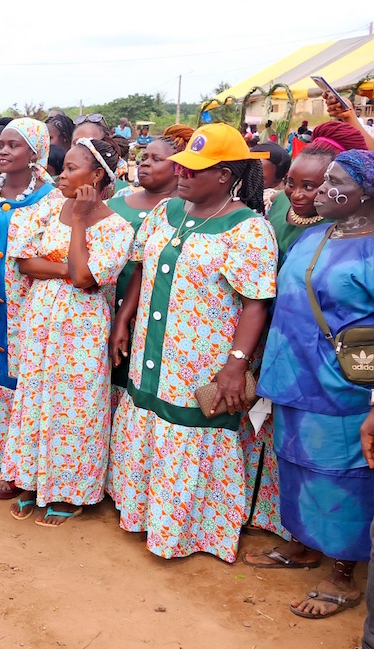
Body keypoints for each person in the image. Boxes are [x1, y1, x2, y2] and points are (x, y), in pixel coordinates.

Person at [108, 123, 277, 563]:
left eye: (193, 169)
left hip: (200, 359)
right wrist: (123, 319)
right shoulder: (167, 211)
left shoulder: (248, 229)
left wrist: (236, 364)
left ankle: (186, 531)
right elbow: (140, 267)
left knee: (189, 427)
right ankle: (143, 514)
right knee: (148, 413)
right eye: (181, 165)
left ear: (224, 175)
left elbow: (256, 302)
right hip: (151, 350)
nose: (182, 173)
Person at [251, 150, 374, 619]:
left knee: (343, 476)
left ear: (367, 194)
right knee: (295, 464)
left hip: (342, 387)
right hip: (292, 375)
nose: (321, 191)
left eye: (334, 183)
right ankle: (303, 545)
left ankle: (343, 572)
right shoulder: (315, 234)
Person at [3, 137, 132, 525]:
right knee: (36, 399)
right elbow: (25, 264)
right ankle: (32, 481)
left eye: (72, 168)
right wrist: (68, 269)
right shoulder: (48, 209)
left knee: (75, 409)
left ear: (96, 177)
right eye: (64, 167)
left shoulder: (116, 228)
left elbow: (84, 278)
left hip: (81, 331)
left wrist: (78, 221)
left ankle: (69, 492)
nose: (61, 174)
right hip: (41, 322)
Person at [0, 118, 57, 500]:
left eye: (12, 145)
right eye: (0, 145)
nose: (2, 151)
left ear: (35, 152)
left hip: (29, 307)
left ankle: (17, 464)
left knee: (24, 379)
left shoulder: (53, 201)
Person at [106, 125, 192, 396]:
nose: (145, 163)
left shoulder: (185, 212)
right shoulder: (115, 203)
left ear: (179, 168)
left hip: (150, 316)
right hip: (105, 310)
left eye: (156, 159)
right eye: (144, 157)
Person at [267, 120, 367, 266]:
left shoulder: (344, 227)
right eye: (290, 183)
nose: (296, 195)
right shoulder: (276, 202)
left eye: (308, 187)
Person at [252, 142, 292, 214]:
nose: (250, 176)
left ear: (276, 182)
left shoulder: (267, 199)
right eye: (248, 169)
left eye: (259, 177)